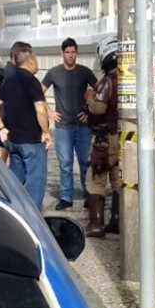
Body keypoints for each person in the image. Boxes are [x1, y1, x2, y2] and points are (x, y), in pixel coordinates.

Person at [0, 41, 51, 208]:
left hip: (14, 141)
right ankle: (33, 219)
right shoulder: (32, 82)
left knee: (14, 181)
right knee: (35, 182)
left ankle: (6, 208)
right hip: (32, 141)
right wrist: (46, 132)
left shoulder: (8, 81)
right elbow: (40, 110)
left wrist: (1, 128)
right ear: (31, 59)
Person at [42, 38, 97, 211]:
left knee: (84, 162)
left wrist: (89, 108)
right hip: (63, 127)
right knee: (65, 164)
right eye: (67, 52)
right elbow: (38, 91)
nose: (70, 55)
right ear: (62, 53)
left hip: (82, 126)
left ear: (76, 53)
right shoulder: (54, 73)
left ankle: (88, 194)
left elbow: (98, 89)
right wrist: (49, 111)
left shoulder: (85, 72)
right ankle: (66, 197)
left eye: (73, 52)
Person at [84, 37, 121, 237]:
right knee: (117, 179)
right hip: (121, 137)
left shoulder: (107, 82)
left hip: (103, 140)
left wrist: (89, 98)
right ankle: (116, 220)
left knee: (96, 179)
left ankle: (96, 224)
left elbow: (99, 108)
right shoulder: (127, 80)